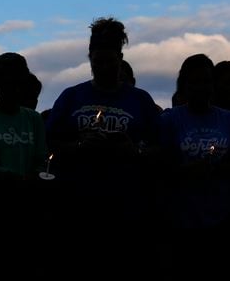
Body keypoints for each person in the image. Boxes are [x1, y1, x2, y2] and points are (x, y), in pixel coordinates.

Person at [45, 17, 160, 274]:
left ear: (120, 59)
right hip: (77, 207)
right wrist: (78, 145)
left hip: (128, 208)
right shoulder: (71, 96)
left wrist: (134, 151)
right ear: (90, 59)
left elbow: (161, 149)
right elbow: (48, 143)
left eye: (110, 62)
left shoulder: (140, 100)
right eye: (98, 62)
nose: (104, 68)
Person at [158, 54, 230, 267]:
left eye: (205, 81)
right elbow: (160, 164)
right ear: (184, 85)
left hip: (224, 217)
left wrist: (216, 169)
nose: (200, 87)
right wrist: (185, 171)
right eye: (194, 82)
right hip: (180, 217)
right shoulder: (169, 119)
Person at [0, 52, 48, 265]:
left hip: (29, 207)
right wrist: (22, 181)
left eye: (19, 81)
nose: (14, 87)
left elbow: (41, 157)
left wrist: (35, 177)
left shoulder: (33, 118)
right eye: (8, 81)